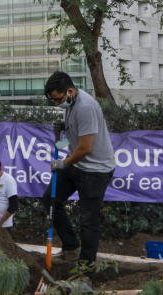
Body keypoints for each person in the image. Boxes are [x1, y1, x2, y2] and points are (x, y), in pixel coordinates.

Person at [42, 71, 115, 268]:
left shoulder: (85, 107)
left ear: (71, 91)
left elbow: (85, 148)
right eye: (53, 102)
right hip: (78, 164)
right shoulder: (71, 103)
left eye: (58, 100)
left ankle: (86, 268)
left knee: (88, 220)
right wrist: (64, 127)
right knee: (50, 199)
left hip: (96, 170)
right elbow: (76, 136)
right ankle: (71, 247)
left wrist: (63, 163)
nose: (57, 105)